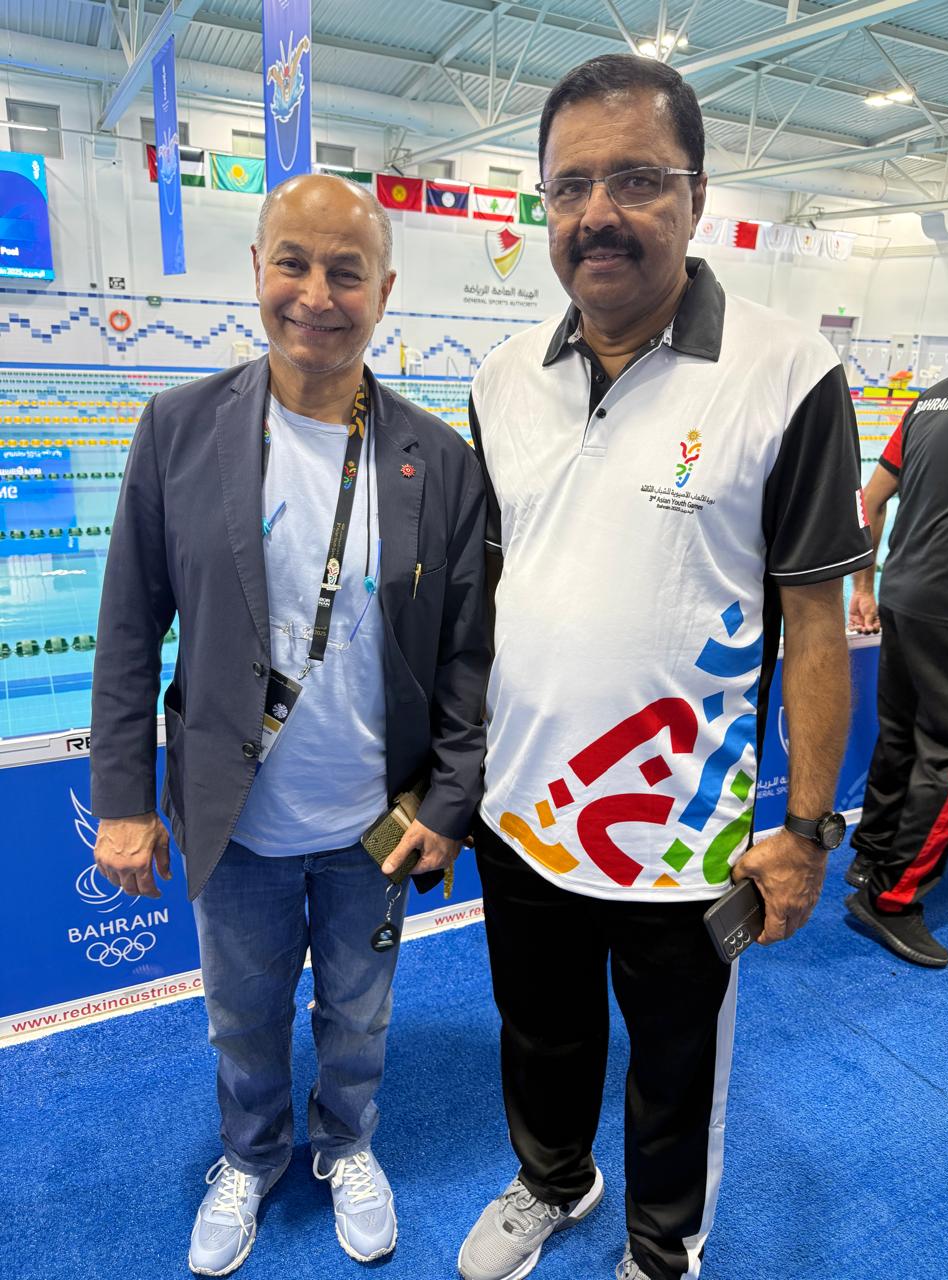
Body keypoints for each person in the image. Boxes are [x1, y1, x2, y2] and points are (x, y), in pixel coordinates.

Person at [457, 54, 872, 1280]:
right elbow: (492, 595)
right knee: (539, 1031)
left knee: (675, 1061)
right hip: (523, 809)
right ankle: (553, 1177)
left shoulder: (786, 372)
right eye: (570, 185)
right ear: (544, 204)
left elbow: (815, 622)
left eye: (636, 179)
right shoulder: (500, 381)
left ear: (696, 196)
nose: (599, 212)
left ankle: (661, 1245)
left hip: (684, 829)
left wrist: (808, 829)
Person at [89, 174, 489, 1276]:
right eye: (294, 264)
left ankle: (346, 1141)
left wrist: (450, 799)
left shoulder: (438, 460)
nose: (317, 294)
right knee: (242, 1017)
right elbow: (127, 628)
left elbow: (466, 653)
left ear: (384, 291)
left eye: (346, 271)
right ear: (257, 270)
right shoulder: (179, 429)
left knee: (359, 1015)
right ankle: (251, 1153)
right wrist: (123, 800)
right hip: (236, 818)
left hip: (372, 820)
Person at [845, 370, 948, 967]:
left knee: (900, 736)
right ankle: (891, 899)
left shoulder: (934, 396)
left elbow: (866, 500)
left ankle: (870, 853)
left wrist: (864, 587)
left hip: (904, 593)